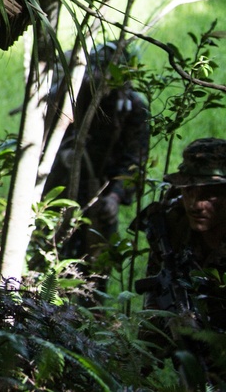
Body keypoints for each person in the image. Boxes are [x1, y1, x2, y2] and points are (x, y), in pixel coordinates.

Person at [44, 42, 150, 274]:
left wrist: (115, 195)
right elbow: (44, 140)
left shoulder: (132, 108)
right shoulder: (69, 95)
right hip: (61, 188)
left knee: (98, 264)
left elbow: (135, 159)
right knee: (50, 255)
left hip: (102, 192)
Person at [133, 138, 226, 382]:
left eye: (209, 194)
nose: (196, 204)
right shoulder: (171, 224)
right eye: (189, 190)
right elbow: (157, 292)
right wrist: (142, 362)